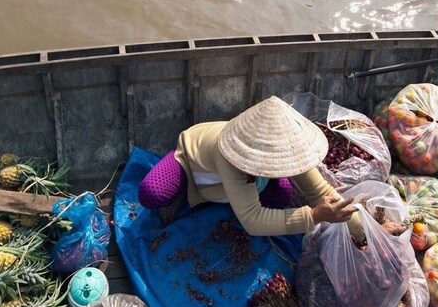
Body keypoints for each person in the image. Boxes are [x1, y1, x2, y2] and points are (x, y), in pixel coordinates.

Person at [138, 95, 365, 238]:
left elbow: (321, 192)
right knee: (152, 192)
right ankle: (185, 191)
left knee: (282, 196)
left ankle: (233, 196)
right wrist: (314, 215)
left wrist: (362, 232)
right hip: (193, 163)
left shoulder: (290, 146)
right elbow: (253, 222)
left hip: (237, 180)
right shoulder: (231, 152)